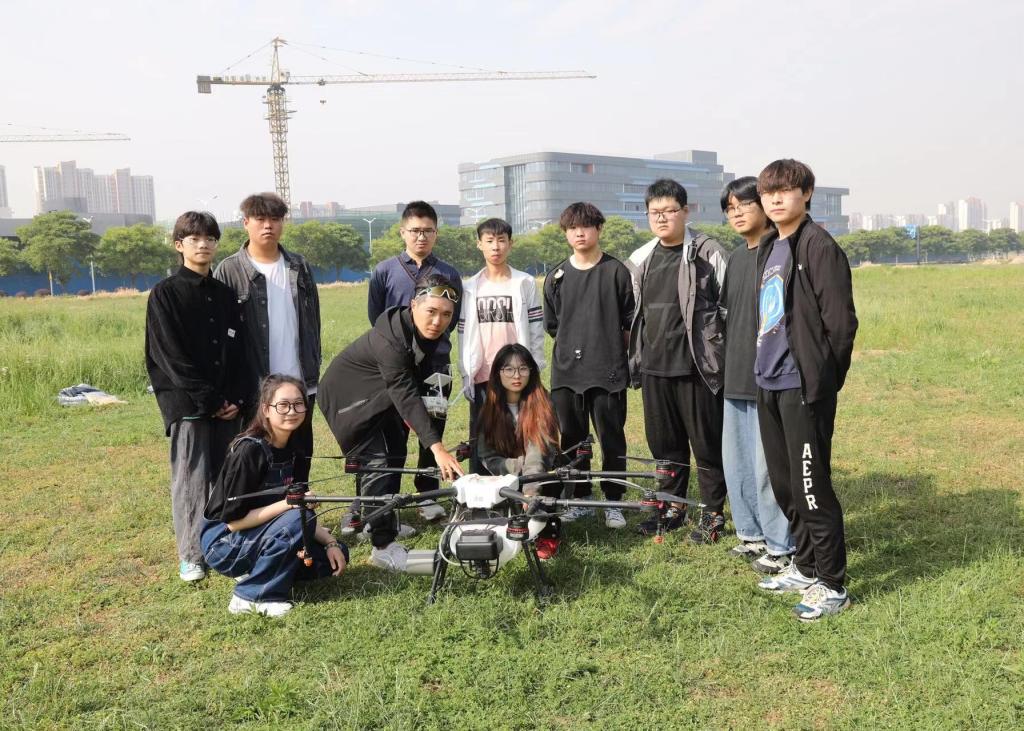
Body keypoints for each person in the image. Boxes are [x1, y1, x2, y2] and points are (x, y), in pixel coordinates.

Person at [752, 159, 858, 621]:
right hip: (768, 380)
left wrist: (822, 381)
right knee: (784, 485)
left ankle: (832, 584)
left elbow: (841, 325)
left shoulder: (818, 246)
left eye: (786, 190)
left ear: (807, 193)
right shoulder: (770, 246)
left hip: (802, 386)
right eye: (768, 192)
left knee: (811, 487)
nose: (775, 199)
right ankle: (806, 565)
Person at [318, 273, 465, 571]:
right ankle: (382, 548)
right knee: (378, 462)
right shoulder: (391, 340)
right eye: (431, 311)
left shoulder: (429, 337)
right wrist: (436, 448)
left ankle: (376, 520)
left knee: (395, 454)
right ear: (414, 305)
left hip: (381, 398)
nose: (437, 321)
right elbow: (405, 393)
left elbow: (422, 391)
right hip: (348, 400)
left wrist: (432, 433)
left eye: (446, 314)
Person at [145, 211, 251, 582]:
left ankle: (223, 545)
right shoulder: (165, 294)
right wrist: (210, 399)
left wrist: (236, 397)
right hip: (188, 404)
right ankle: (191, 555)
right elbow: (170, 356)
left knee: (226, 476)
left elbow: (239, 352)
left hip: (227, 405)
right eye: (194, 239)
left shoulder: (225, 295)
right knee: (191, 480)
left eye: (209, 238)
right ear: (179, 245)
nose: (203, 245)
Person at [626, 179, 729, 542]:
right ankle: (672, 508)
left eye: (670, 210)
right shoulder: (641, 258)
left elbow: (729, 306)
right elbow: (634, 313)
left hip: (697, 367)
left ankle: (713, 513)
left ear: (685, 211)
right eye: (655, 212)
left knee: (706, 444)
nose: (662, 218)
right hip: (655, 366)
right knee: (664, 445)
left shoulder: (708, 251)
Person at [201, 375, 348, 617]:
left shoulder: (296, 449)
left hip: (265, 531)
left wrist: (331, 543)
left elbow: (299, 510)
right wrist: (289, 505)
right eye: (283, 405)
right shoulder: (249, 451)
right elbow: (233, 522)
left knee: (334, 554)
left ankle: (260, 571)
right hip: (224, 543)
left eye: (298, 404)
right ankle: (250, 596)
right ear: (266, 409)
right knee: (300, 516)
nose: (292, 411)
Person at [214, 192, 321, 485]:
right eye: (260, 219)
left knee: (301, 453)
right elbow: (221, 336)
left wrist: (314, 365)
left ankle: (299, 508)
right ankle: (261, 511)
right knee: (256, 456)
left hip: (300, 380)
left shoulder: (299, 266)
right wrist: (229, 388)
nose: (268, 226)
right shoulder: (230, 270)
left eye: (275, 219)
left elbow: (314, 321)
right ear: (245, 223)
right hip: (255, 384)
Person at [366, 201, 463, 522]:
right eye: (415, 231)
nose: (421, 237)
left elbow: (452, 318)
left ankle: (427, 493)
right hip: (396, 365)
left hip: (436, 366)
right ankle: (389, 498)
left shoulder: (449, 273)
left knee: (432, 430)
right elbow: (376, 318)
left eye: (428, 231)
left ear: (436, 233)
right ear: (402, 232)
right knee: (393, 434)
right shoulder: (385, 271)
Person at [718, 178, 795, 573]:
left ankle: (781, 544)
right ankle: (751, 534)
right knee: (738, 463)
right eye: (730, 208)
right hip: (735, 375)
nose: (737, 213)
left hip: (769, 376)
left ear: (763, 207)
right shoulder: (734, 259)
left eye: (744, 205)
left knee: (768, 468)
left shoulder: (779, 252)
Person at [543, 202, 634, 529]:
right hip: (567, 373)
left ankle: (613, 501)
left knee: (612, 439)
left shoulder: (616, 271)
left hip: (607, 372)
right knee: (572, 439)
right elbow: (553, 325)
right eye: (572, 228)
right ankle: (579, 498)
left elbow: (629, 322)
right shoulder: (556, 276)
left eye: (586, 226)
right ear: (566, 233)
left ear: (599, 229)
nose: (579, 233)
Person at [458, 218, 545, 474]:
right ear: (479, 244)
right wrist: (466, 371)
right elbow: (463, 334)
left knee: (519, 428)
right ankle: (480, 488)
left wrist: (534, 367)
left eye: (501, 240)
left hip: (516, 372)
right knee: (483, 432)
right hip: (483, 372)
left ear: (510, 244)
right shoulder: (470, 287)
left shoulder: (524, 283)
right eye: (489, 241)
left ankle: (522, 482)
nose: (495, 247)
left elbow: (536, 330)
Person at [477, 344, 562, 559]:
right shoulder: (489, 407)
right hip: (505, 475)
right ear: (498, 373)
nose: (516, 375)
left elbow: (538, 453)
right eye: (509, 369)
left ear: (531, 371)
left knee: (549, 480)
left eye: (523, 368)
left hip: (541, 472)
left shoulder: (542, 403)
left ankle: (547, 532)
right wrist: (517, 468)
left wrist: (530, 492)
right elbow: (487, 456)